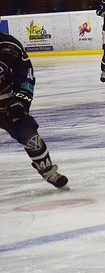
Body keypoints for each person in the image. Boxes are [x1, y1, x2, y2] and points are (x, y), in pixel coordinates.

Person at [0, 31, 68, 188]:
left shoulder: (9, 46)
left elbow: (25, 76)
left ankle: (48, 171)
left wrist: (20, 101)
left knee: (32, 140)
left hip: (6, 102)